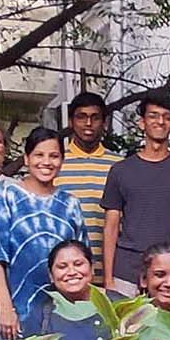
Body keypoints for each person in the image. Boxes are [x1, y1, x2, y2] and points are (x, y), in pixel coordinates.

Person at [0, 127, 88, 340]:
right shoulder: (6, 196)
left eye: (54, 156)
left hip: (60, 312)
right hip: (14, 311)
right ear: (26, 158)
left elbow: (81, 264)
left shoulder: (70, 204)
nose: (46, 162)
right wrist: (5, 307)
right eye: (39, 155)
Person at [100, 92, 170, 296]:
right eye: (153, 116)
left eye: (167, 117)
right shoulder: (120, 171)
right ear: (142, 123)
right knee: (126, 328)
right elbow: (110, 227)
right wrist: (108, 279)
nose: (160, 121)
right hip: (127, 270)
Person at [24, 240, 118, 340]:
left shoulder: (119, 306)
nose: (71, 271)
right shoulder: (40, 313)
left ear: (92, 269)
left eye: (78, 264)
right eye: (62, 267)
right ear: (51, 275)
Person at [53, 92, 122, 260]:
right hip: (66, 271)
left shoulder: (120, 165)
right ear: (70, 121)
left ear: (104, 123)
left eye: (95, 117)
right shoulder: (55, 163)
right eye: (81, 117)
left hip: (110, 270)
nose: (88, 123)